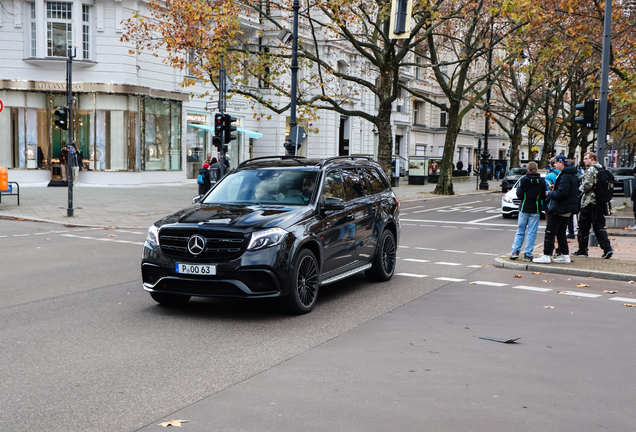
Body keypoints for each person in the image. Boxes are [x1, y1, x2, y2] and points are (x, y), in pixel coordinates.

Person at [533, 154, 579, 264]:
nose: (554, 164)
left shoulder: (564, 176)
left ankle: (546, 255)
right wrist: (555, 189)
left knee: (550, 231)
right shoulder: (570, 174)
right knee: (561, 232)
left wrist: (550, 193)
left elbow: (562, 194)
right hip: (566, 208)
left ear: (561, 163)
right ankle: (565, 255)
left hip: (559, 208)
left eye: (556, 162)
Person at [572, 152, 614, 259]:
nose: (584, 161)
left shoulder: (591, 170)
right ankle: (607, 249)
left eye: (586, 159)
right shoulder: (602, 168)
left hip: (589, 202)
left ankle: (582, 250)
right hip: (600, 202)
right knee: (599, 227)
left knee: (583, 227)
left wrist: (579, 188)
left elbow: (587, 185)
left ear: (592, 159)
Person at [510, 162, 546, 261]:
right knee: (532, 232)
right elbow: (543, 195)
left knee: (520, 230)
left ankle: (515, 251)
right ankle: (528, 253)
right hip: (536, 208)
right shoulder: (541, 181)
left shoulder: (523, 180)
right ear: (537, 169)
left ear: (528, 170)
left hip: (524, 208)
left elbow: (519, 194)